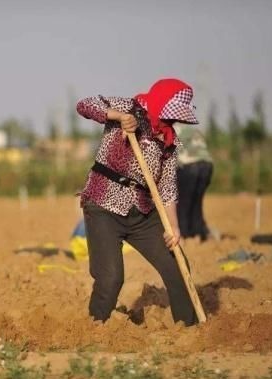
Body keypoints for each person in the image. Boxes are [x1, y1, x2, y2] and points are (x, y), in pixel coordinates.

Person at [76, 78, 199, 326]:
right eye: (170, 115)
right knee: (111, 277)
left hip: (142, 213)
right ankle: (94, 326)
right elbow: (84, 105)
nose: (172, 121)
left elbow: (167, 188)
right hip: (104, 206)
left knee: (177, 265)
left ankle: (188, 328)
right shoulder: (128, 107)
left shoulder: (169, 141)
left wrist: (173, 227)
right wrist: (118, 117)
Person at [175, 124, 213, 241]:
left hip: (189, 165)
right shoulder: (191, 127)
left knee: (182, 202)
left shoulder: (172, 128)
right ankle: (198, 233)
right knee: (196, 202)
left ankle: (184, 234)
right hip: (207, 165)